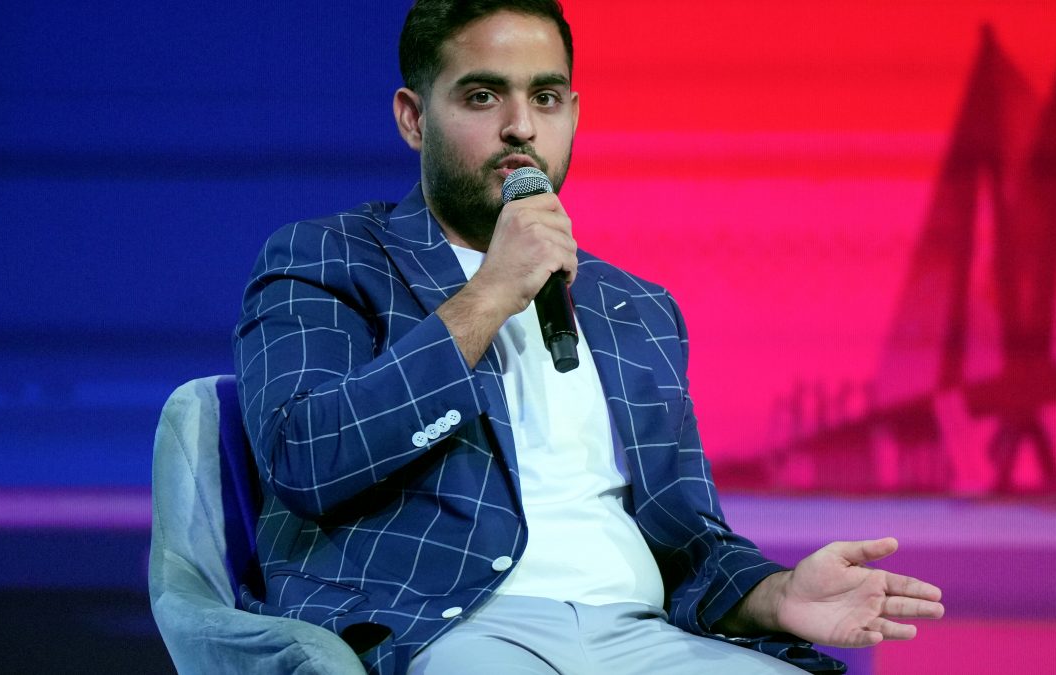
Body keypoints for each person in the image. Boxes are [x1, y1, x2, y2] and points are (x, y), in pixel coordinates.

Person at [232, 1, 944, 673]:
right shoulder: (329, 258)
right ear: (414, 118)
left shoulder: (633, 307)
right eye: (483, 97)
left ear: (572, 113)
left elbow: (688, 540)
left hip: (641, 635)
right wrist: (489, 294)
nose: (521, 127)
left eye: (545, 98)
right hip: (452, 626)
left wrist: (777, 593)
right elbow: (306, 458)